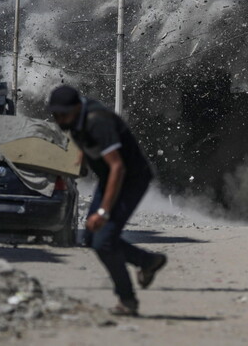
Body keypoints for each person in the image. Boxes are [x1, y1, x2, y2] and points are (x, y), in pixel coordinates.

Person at [48, 85, 167, 316]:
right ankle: (147, 261)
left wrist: (103, 212)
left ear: (76, 108)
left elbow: (117, 167)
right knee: (91, 238)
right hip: (110, 179)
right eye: (55, 114)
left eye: (63, 114)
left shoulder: (98, 122)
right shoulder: (77, 119)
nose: (59, 119)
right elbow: (87, 141)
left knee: (104, 241)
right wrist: (82, 157)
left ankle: (127, 300)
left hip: (130, 180)